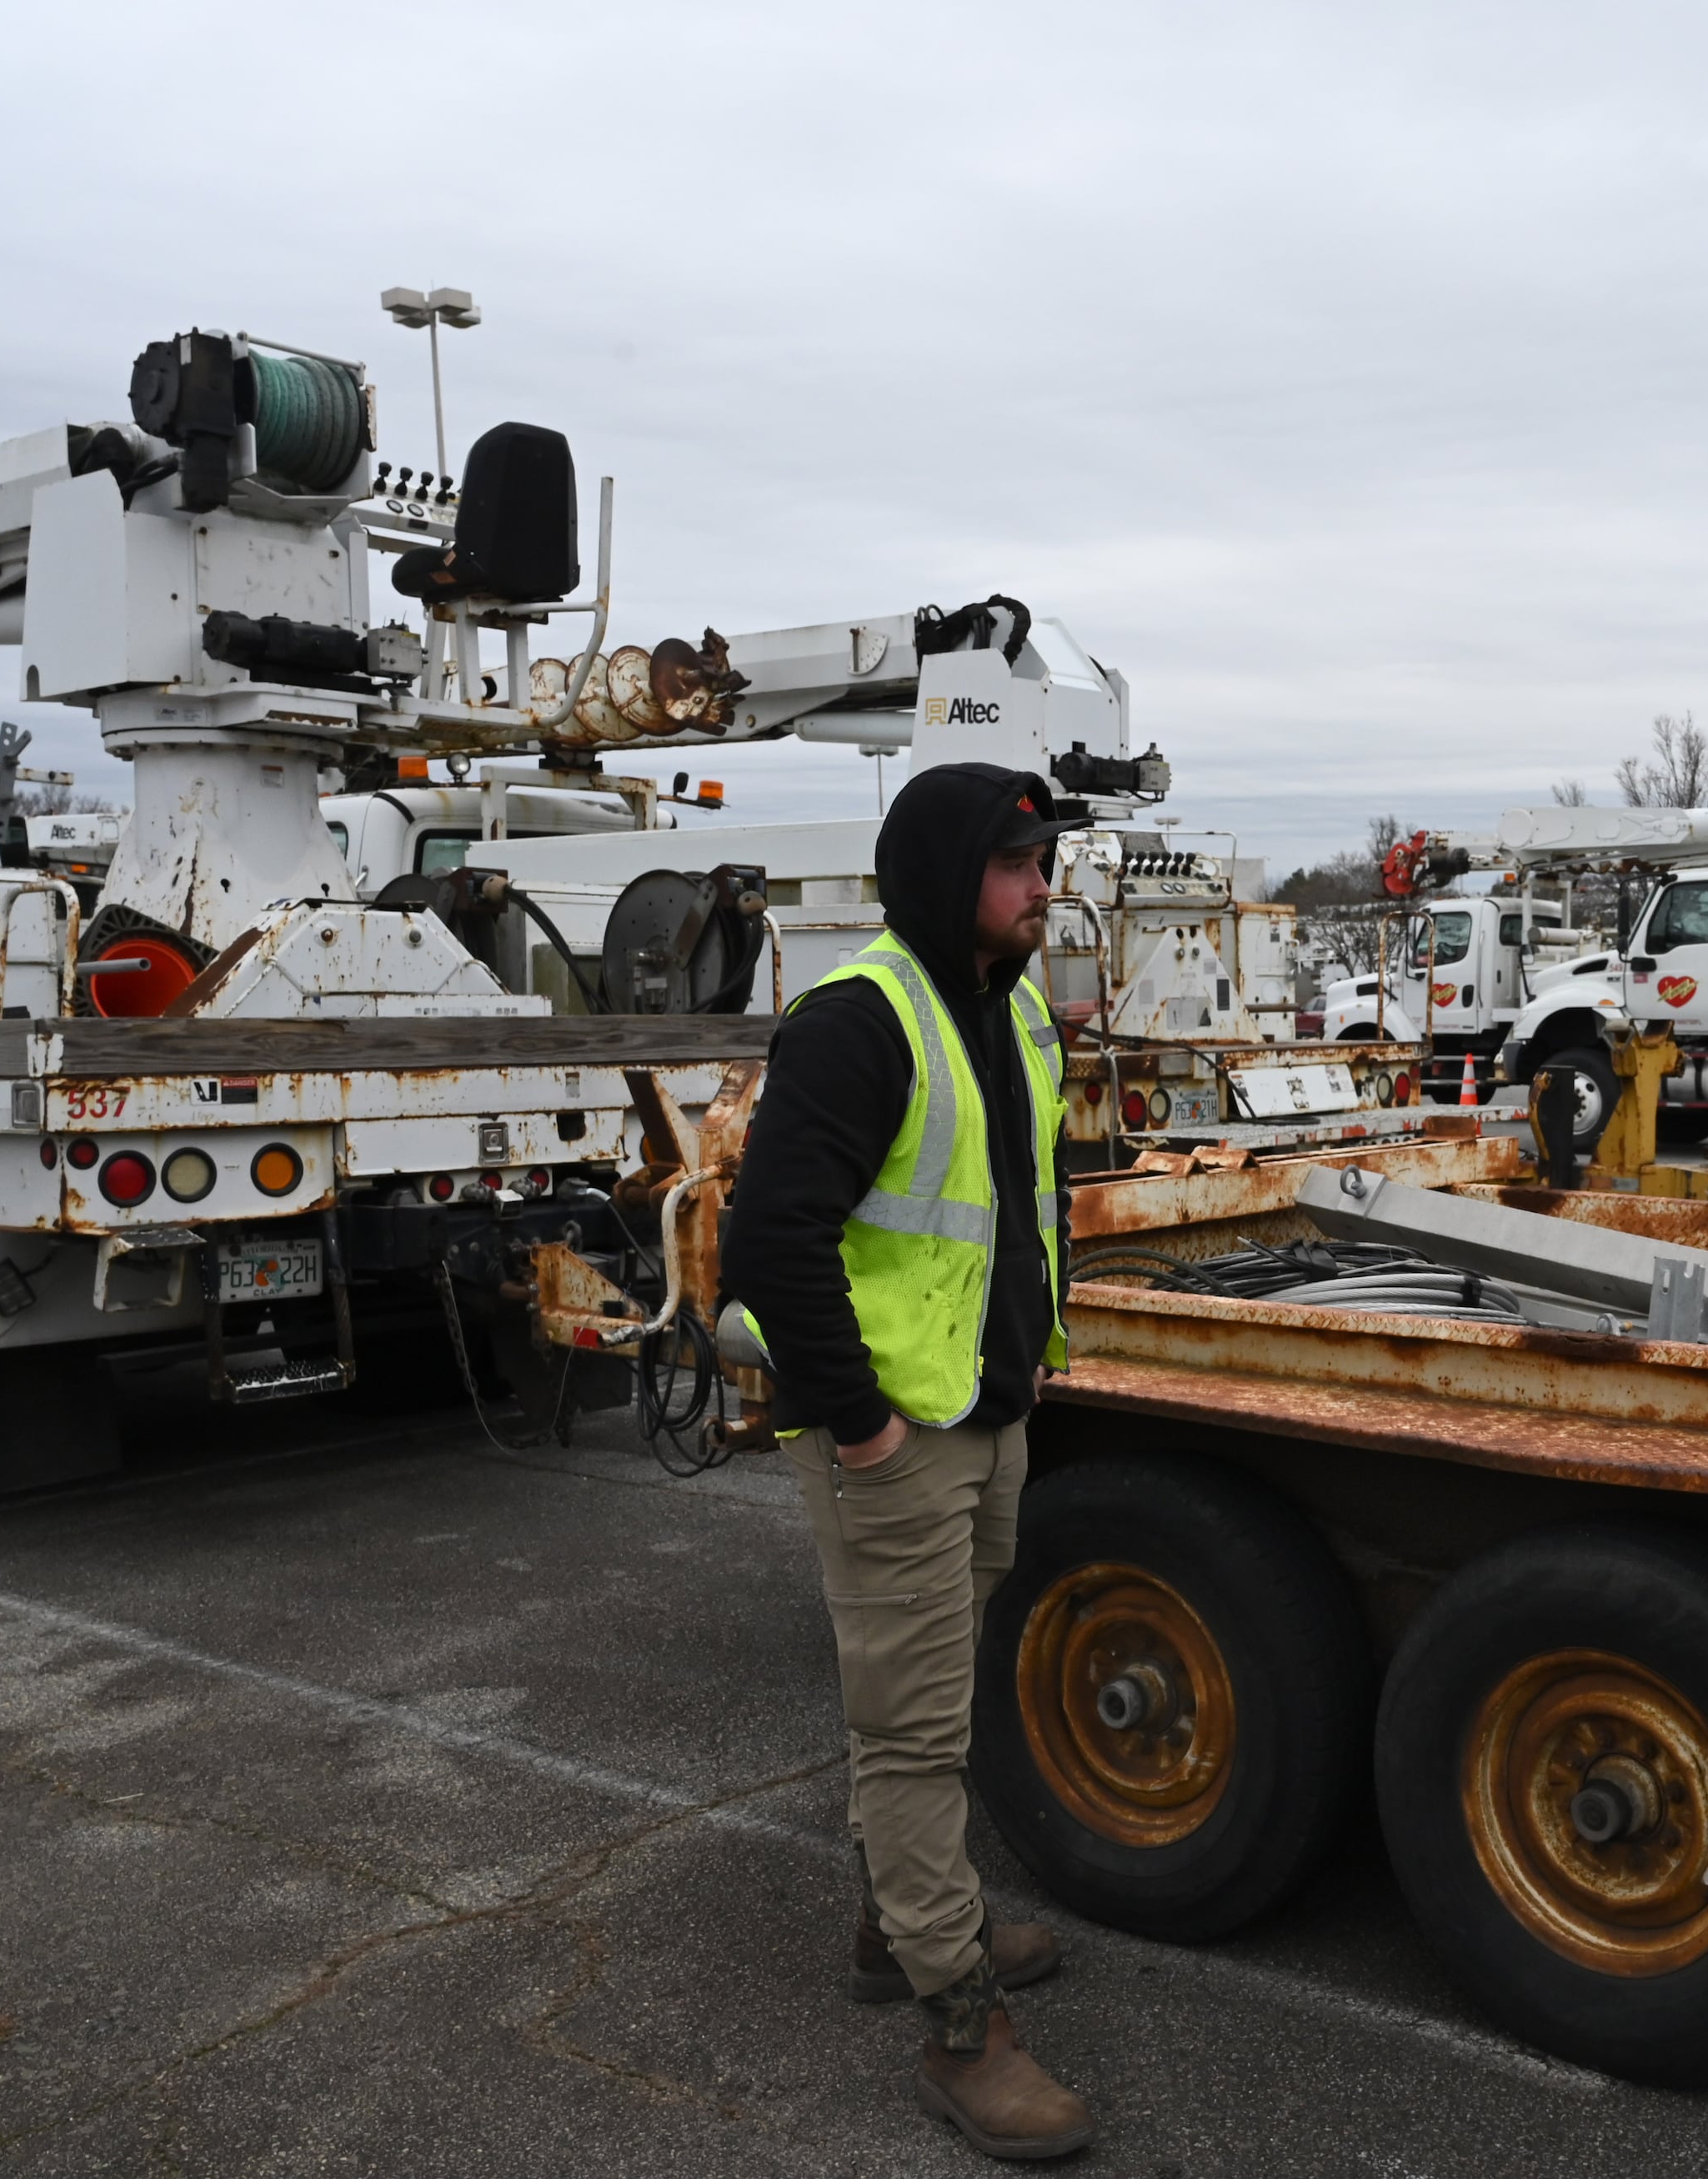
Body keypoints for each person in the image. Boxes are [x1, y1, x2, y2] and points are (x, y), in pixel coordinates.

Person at [722, 760, 1093, 2162]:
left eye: (1046, 860)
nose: (1042, 886)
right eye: (1019, 866)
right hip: (898, 1440)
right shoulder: (860, 1022)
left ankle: (900, 1919)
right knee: (914, 1728)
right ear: (951, 877)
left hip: (983, 1417)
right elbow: (771, 1244)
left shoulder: (1010, 1014)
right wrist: (864, 1422)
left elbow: (1019, 1206)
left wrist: (1029, 1362)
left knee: (948, 1691)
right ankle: (959, 2025)